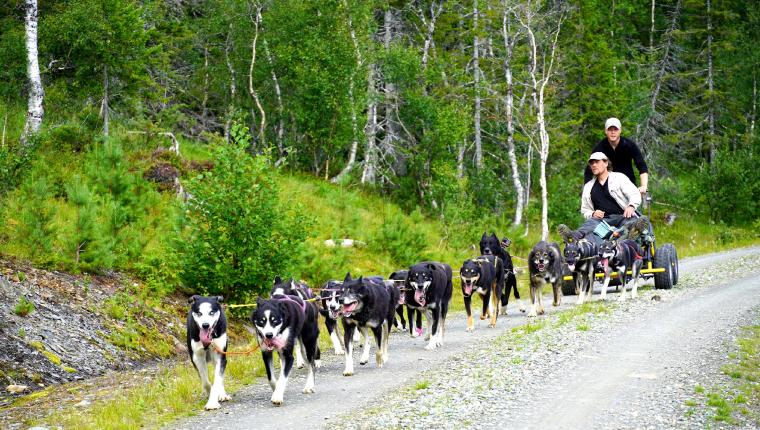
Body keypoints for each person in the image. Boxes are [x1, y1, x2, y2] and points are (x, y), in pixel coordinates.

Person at [559, 152, 648, 245]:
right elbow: (585, 210)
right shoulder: (588, 187)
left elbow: (634, 194)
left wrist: (631, 206)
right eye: (591, 163)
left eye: (597, 162)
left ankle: (631, 234)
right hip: (602, 222)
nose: (593, 165)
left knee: (632, 222)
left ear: (606, 163)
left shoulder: (619, 178)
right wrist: (593, 213)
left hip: (623, 216)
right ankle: (572, 238)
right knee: (589, 224)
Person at [584, 117, 649, 195]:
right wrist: (588, 191)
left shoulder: (629, 145)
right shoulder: (599, 148)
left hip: (628, 187)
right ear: (605, 131)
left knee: (633, 205)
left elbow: (642, 166)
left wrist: (644, 186)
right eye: (610, 130)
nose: (613, 132)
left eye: (615, 129)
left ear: (620, 130)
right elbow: (589, 171)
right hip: (607, 191)